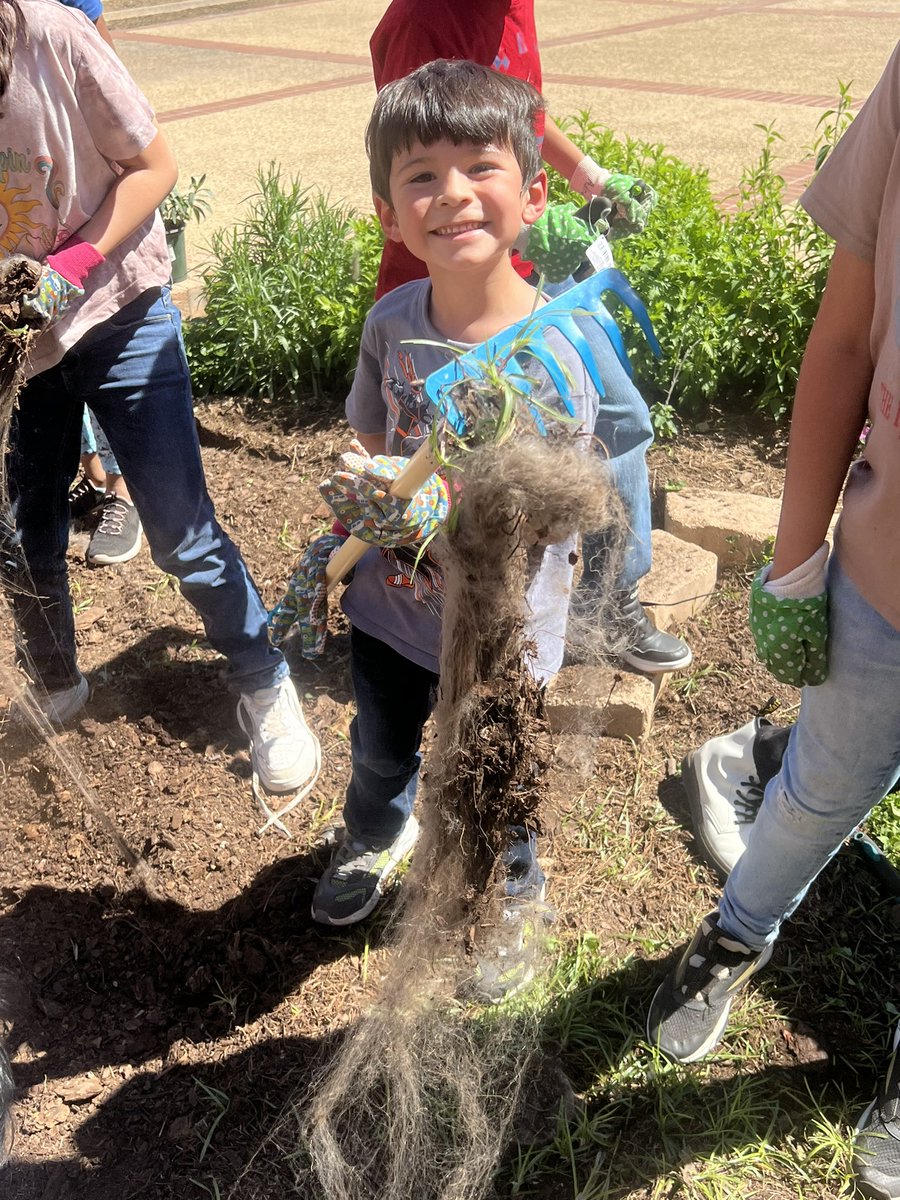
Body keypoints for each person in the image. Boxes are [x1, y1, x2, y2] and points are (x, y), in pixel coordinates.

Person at [645, 40, 900, 1200]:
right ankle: (737, 934)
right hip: (888, 588)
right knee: (818, 793)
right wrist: (795, 564)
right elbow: (846, 337)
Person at [304, 61, 598, 996]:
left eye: (481, 166)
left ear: (534, 194)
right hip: (392, 609)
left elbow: (553, 511)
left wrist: (443, 510)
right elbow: (370, 432)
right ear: (390, 212)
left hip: (501, 634)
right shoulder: (394, 320)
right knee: (382, 744)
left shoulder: (555, 353)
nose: (452, 194)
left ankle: (515, 889)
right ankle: (374, 832)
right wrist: (376, 486)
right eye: (420, 175)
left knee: (494, 771)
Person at [0, 0, 319, 813]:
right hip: (17, 343)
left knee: (179, 527)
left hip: (117, 307)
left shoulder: (54, 39)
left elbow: (153, 167)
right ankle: (57, 684)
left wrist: (68, 262)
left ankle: (264, 680)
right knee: (24, 528)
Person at [367, 0, 692, 674]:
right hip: (443, 306)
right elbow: (438, 150)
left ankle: (604, 601)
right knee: (464, 468)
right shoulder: (423, 26)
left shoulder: (511, 6)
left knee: (617, 423)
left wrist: (586, 176)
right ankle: (458, 621)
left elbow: (514, 118)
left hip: (523, 292)